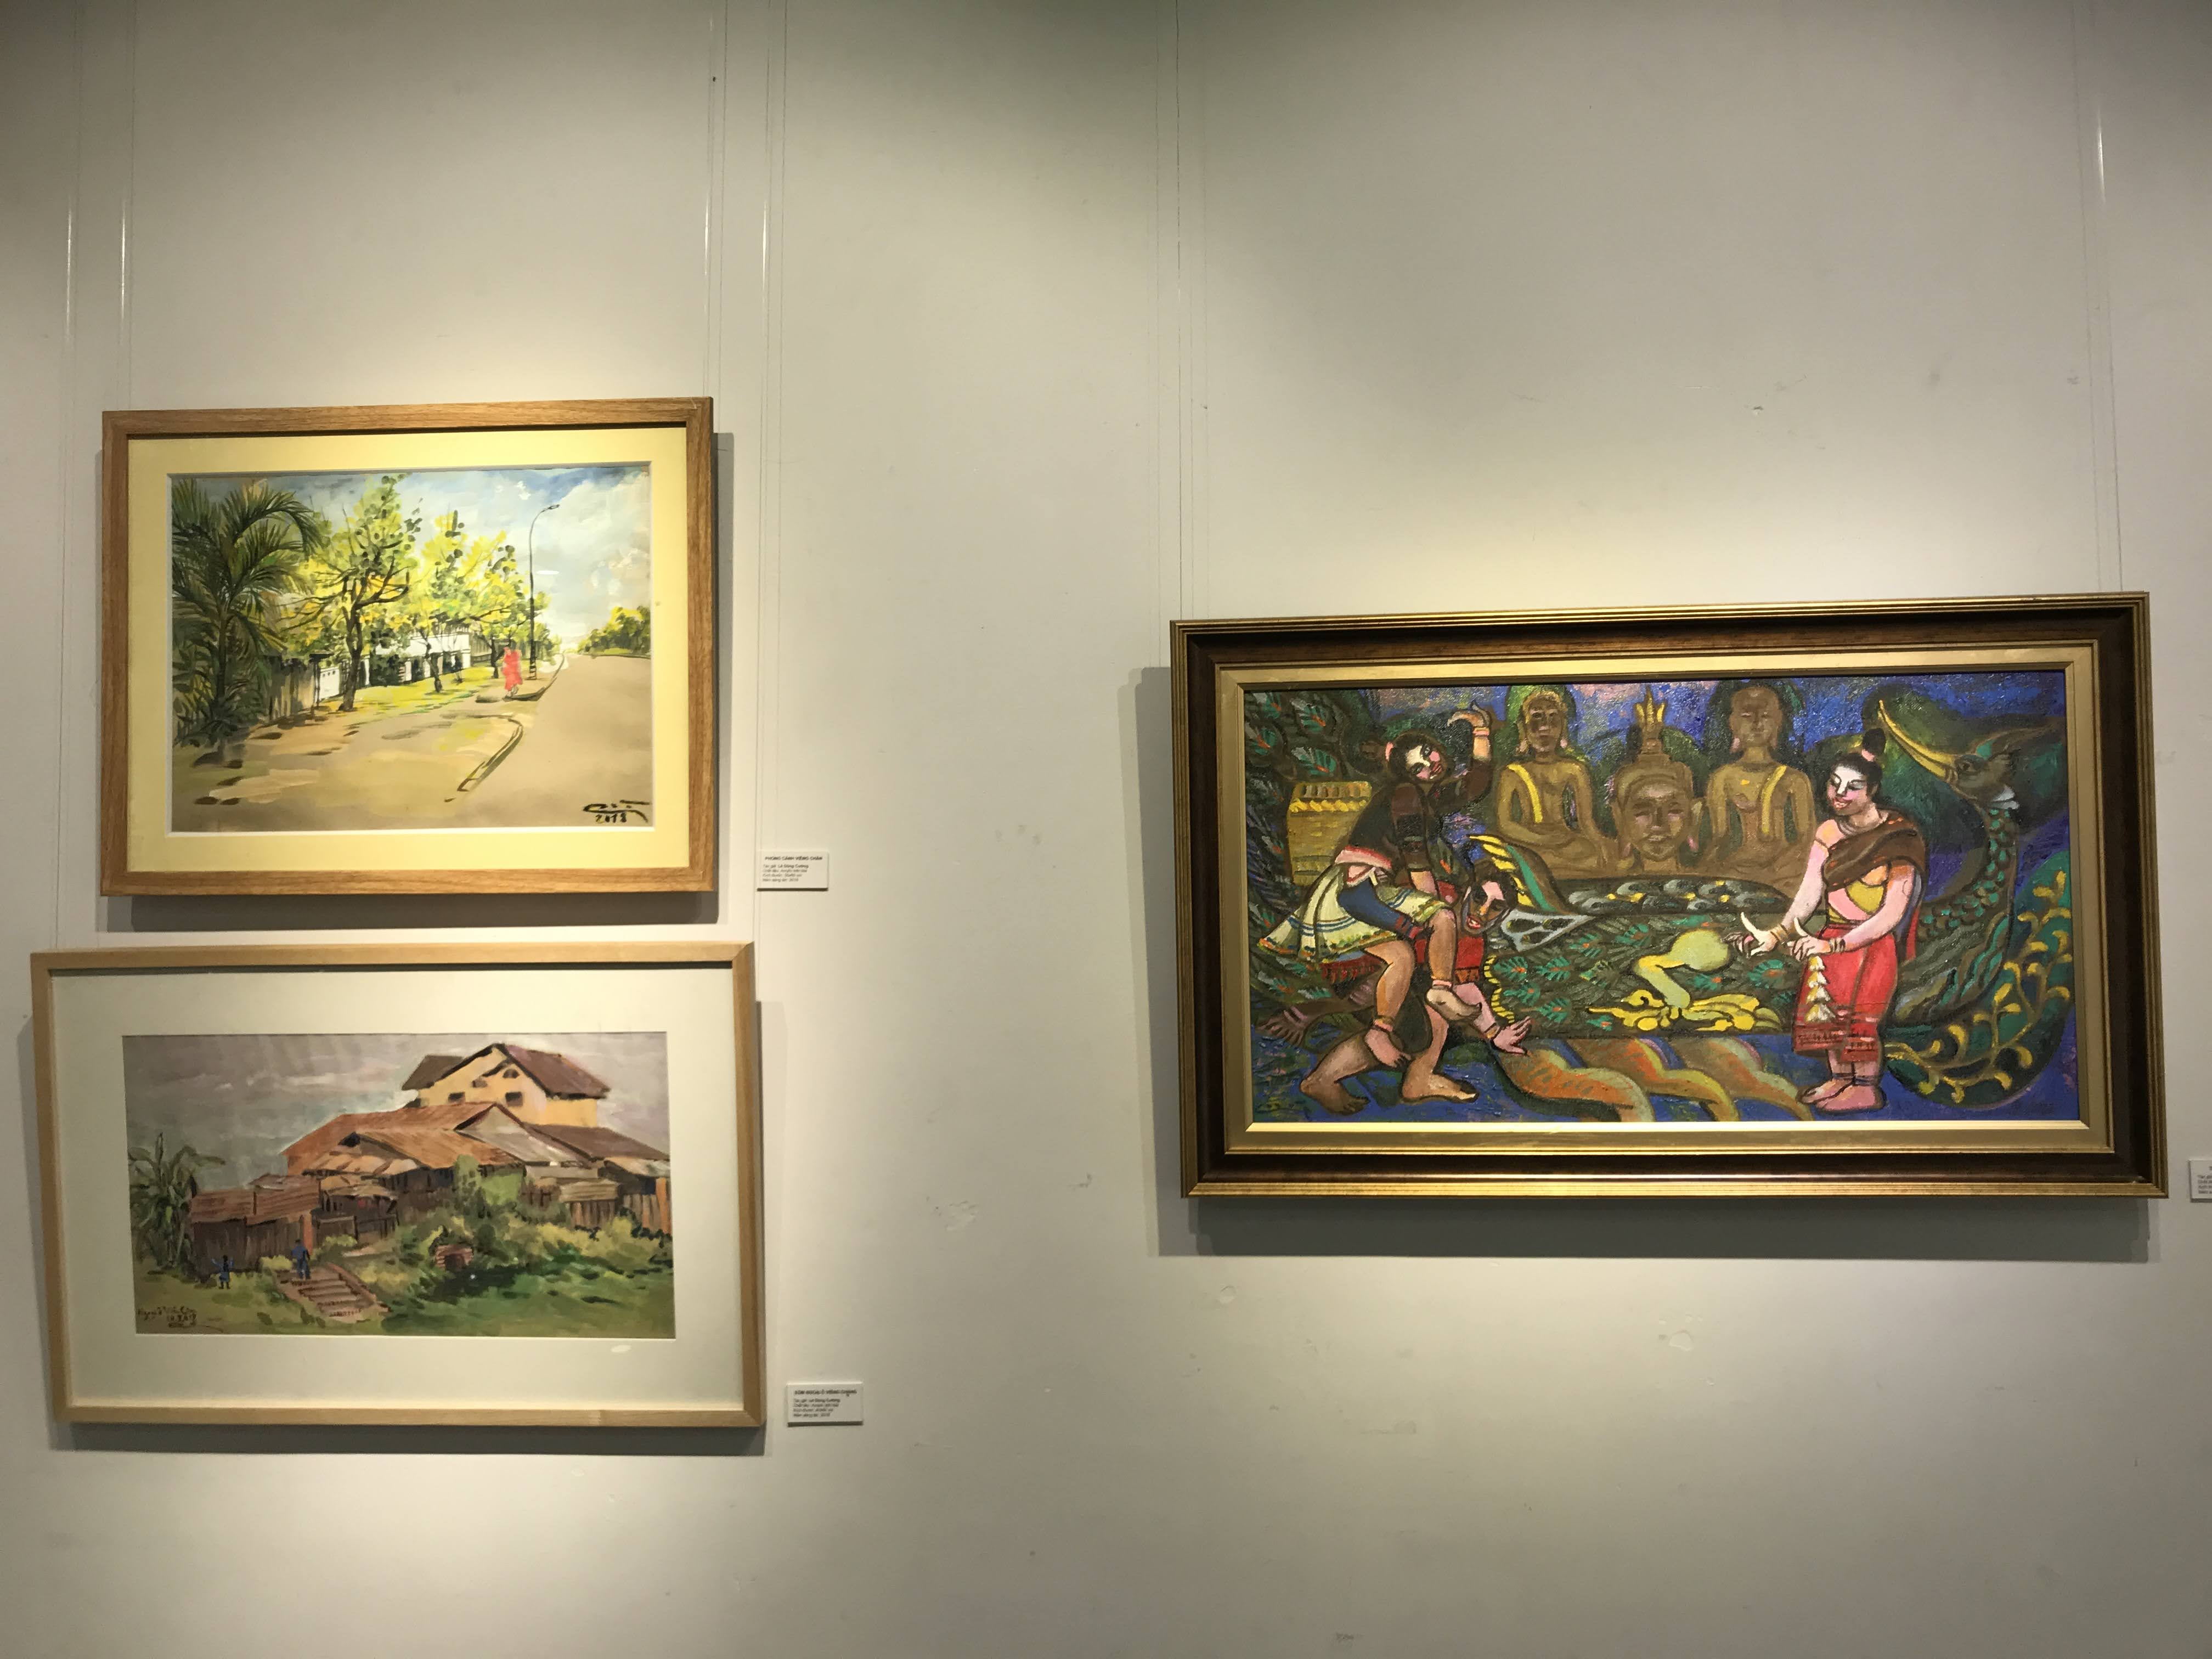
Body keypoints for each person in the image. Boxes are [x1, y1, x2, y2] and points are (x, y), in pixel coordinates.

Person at [1260, 711, 1527, 1108]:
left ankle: (1345, 1072)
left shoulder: (1424, 796)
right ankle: (1421, 1014)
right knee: (1437, 927)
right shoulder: (1405, 797)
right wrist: (1432, 908)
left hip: (1369, 917)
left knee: (1410, 980)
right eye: (1418, 765)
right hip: (1355, 895)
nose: (1430, 765)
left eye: (1429, 755)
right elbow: (1415, 856)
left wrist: (1481, 732)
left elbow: (1472, 786)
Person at [1739, 737, 1927, 1114]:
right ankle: (1840, 1079)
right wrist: (1776, 934)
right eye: (1834, 784)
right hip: (1829, 939)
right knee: (1827, 1015)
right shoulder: (1828, 832)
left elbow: (1892, 913)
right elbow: (1809, 895)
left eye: (1853, 787)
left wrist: (1834, 946)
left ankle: (1866, 1088)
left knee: (1860, 1019)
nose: (1840, 794)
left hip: (1871, 945)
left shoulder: (1899, 837)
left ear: (1872, 791)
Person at [1701, 683, 1815, 888]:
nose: (1756, 723)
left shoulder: (1795, 779)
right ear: (1733, 723)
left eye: (1765, 715)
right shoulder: (1722, 778)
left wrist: (1776, 870)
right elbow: (1720, 837)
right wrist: (1706, 867)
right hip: (1738, 869)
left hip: (1783, 871)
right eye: (1746, 716)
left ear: (1778, 721)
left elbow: (1806, 840)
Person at [1492, 686, 1609, 878]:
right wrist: (1542, 840)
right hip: (1530, 844)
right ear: (1523, 728)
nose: (1545, 727)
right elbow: (1506, 824)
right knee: (1524, 859)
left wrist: (1601, 844)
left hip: (1565, 843)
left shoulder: (1575, 769)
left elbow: (1587, 822)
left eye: (1553, 717)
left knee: (1596, 855)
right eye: (1537, 717)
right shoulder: (1512, 773)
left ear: (1563, 726)